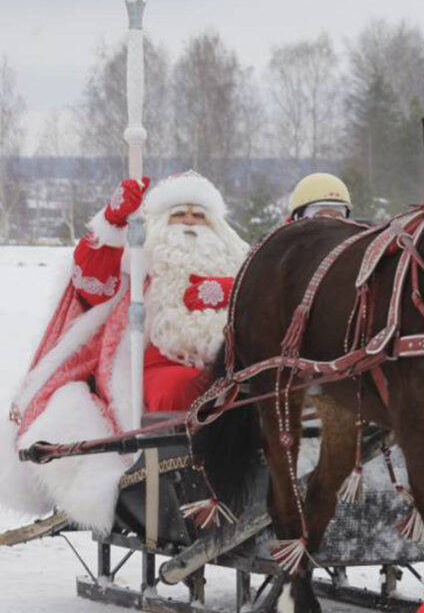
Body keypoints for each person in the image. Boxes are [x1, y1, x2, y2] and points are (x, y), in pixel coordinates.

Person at [0, 171, 250, 530]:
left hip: (231, 364)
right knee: (182, 386)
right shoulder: (139, 257)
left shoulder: (238, 260)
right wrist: (113, 225)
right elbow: (93, 282)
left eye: (200, 216)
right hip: (155, 364)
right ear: (162, 221)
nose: (191, 224)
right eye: (180, 215)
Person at [286, 173, 352, 222]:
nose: (330, 224)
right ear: (298, 218)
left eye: (338, 219)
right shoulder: (282, 240)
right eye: (321, 218)